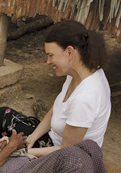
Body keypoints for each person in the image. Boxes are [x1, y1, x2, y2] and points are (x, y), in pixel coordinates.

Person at [25, 20, 111, 157]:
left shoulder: (85, 98)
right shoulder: (78, 73)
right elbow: (57, 108)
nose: (48, 61)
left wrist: (25, 153)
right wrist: (32, 137)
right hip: (55, 141)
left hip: (71, 158)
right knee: (5, 116)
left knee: (8, 162)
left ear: (70, 52)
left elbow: (67, 150)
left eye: (51, 55)